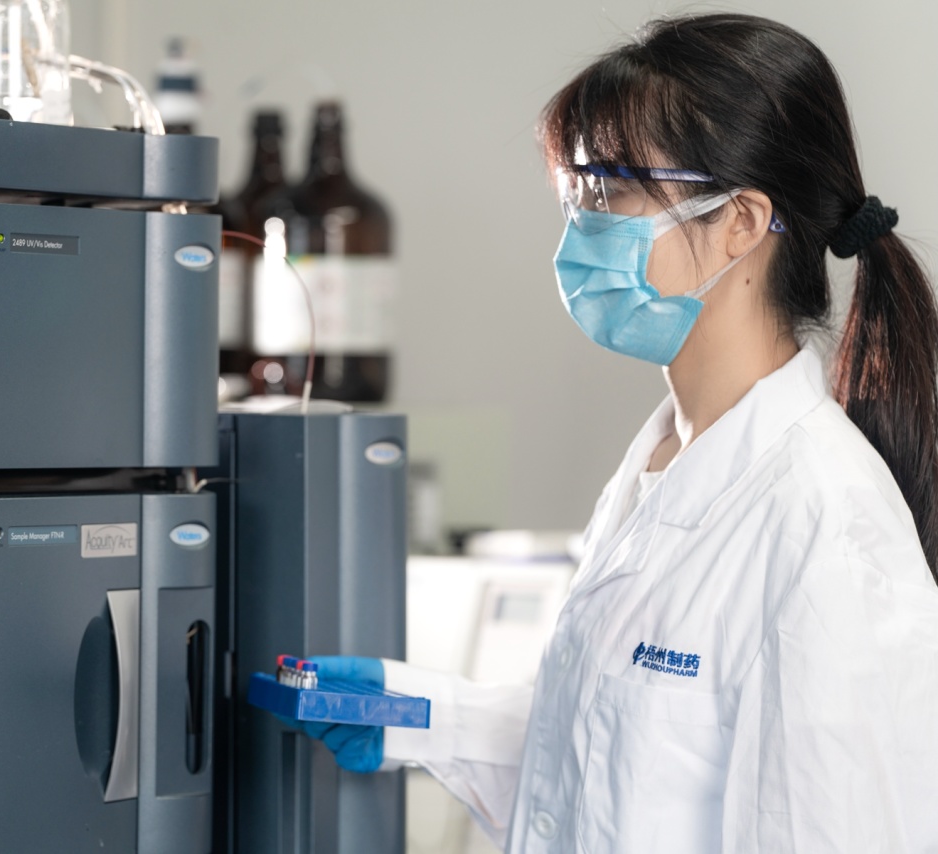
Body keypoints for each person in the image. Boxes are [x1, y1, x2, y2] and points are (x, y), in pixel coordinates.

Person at [279, 13, 938, 852]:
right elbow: (615, 756)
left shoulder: (826, 527)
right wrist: (417, 714)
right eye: (578, 192)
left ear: (740, 223)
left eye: (613, 189)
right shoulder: (666, 461)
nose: (582, 227)